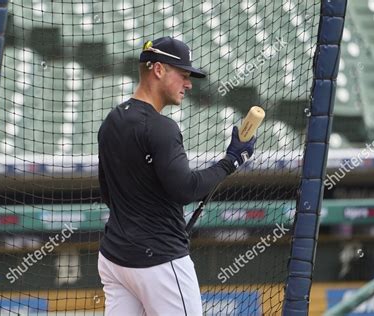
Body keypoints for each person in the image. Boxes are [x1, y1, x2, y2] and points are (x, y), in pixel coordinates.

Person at [97, 36, 256, 315]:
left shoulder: (112, 120)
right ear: (158, 70)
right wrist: (231, 161)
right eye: (183, 74)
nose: (189, 83)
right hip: (159, 263)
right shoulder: (162, 127)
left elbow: (108, 194)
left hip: (114, 260)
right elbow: (186, 189)